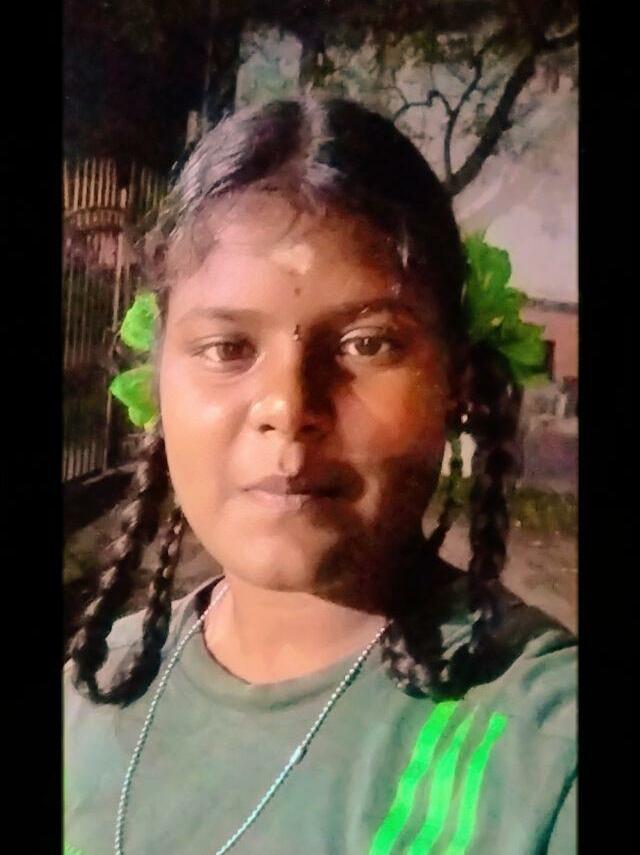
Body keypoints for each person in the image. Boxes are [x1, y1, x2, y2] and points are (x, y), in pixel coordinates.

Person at [64, 96, 576, 855]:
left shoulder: (545, 754)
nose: (288, 407)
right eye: (227, 347)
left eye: (368, 344)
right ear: (156, 379)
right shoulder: (93, 685)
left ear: (457, 383)